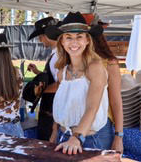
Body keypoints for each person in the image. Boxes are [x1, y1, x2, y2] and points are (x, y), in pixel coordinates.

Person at [46, 12, 109, 154]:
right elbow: (63, 105)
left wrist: (77, 137)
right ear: (61, 41)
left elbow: (92, 107)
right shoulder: (62, 71)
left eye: (79, 37)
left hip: (88, 139)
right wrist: (55, 132)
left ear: (87, 40)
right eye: (68, 37)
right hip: (64, 137)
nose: (74, 42)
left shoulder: (95, 68)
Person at [83, 14, 124, 153]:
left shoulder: (108, 63)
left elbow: (116, 101)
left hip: (100, 127)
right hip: (75, 125)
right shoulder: (74, 64)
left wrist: (119, 136)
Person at [26, 17, 59, 141]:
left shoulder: (58, 56)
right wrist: (37, 72)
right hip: (50, 111)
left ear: (47, 35)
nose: (40, 40)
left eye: (40, 36)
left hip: (52, 113)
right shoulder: (55, 54)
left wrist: (41, 91)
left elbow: (60, 84)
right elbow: (53, 79)